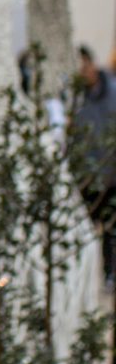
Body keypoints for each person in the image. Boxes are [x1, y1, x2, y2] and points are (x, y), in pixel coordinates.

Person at [71, 44, 116, 287]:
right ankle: (86, 280)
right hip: (87, 179)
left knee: (110, 233)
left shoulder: (113, 93)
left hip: (111, 178)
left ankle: (110, 275)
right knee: (86, 232)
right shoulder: (76, 98)